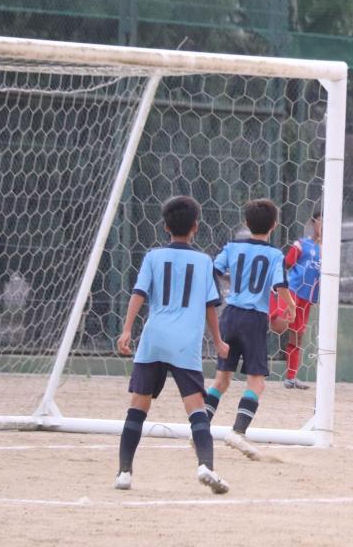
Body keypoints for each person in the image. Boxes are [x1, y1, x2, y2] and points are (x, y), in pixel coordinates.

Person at [113, 195, 230, 493]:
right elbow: (210, 307)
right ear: (195, 227)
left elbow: (139, 293)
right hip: (184, 344)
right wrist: (218, 341)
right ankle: (205, 466)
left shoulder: (152, 257)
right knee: (196, 410)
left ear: (165, 226)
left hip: (153, 338)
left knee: (137, 407)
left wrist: (126, 330)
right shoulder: (203, 262)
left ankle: (124, 473)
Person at [203, 200, 294, 459]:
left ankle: (199, 429)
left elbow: (214, 270)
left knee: (221, 379)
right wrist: (291, 306)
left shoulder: (232, 247)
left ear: (246, 222)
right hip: (254, 320)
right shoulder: (275, 254)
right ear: (274, 225)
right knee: (257, 382)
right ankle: (238, 431)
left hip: (230, 315)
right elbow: (280, 285)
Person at [280, 210, 321, 389]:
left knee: (297, 336)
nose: (323, 226)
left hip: (308, 298)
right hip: (292, 292)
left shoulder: (329, 250)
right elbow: (285, 265)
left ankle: (291, 377)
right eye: (320, 221)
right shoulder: (301, 244)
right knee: (278, 325)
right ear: (313, 223)